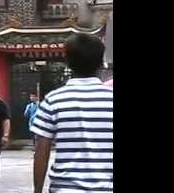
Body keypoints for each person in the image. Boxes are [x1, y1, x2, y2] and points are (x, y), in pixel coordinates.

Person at [32, 33, 113, 193]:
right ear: (100, 63)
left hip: (65, 188)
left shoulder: (53, 100)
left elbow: (42, 151)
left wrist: (38, 191)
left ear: (68, 62)